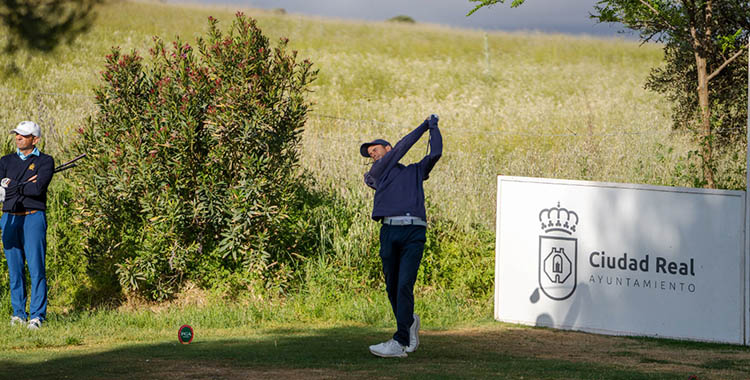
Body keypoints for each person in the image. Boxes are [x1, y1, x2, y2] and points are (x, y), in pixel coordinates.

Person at [361, 114, 442, 358]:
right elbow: (403, 148)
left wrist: (434, 128)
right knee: (392, 287)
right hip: (389, 230)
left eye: (375, 149)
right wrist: (423, 126)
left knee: (405, 283)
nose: (372, 155)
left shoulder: (416, 171)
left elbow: (435, 153)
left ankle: (400, 340)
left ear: (387, 148)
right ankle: (407, 325)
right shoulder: (377, 173)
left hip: (414, 231)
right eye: (370, 154)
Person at [1, 121, 54, 330]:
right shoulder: (5, 161)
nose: (18, 137)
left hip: (33, 217)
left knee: (36, 267)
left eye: (24, 135)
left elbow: (38, 189)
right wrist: (23, 185)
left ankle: (37, 315)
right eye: (17, 134)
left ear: (36, 139)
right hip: (9, 217)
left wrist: (12, 185)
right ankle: (18, 313)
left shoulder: (45, 161)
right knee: (14, 268)